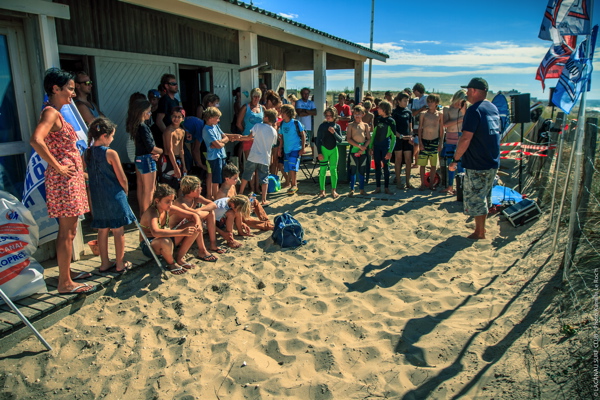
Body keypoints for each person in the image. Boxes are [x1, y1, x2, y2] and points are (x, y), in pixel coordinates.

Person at [29, 68, 92, 294]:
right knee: (67, 232)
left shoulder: (57, 112)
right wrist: (58, 166)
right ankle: (65, 283)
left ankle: (66, 274)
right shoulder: (51, 113)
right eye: (70, 89)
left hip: (69, 179)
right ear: (55, 89)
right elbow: (36, 140)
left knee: (70, 231)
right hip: (62, 181)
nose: (73, 94)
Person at [449, 77, 500, 240]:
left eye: (468, 91)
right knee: (484, 196)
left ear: (474, 91)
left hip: (478, 163)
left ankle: (480, 232)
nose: (467, 95)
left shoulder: (474, 110)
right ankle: (481, 229)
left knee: (477, 198)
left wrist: (455, 159)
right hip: (492, 160)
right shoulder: (492, 108)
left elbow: (465, 138)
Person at [84, 117, 135, 274]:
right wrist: (125, 191)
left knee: (102, 229)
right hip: (114, 194)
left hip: (97, 197)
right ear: (104, 136)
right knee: (118, 230)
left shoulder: (87, 153)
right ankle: (120, 263)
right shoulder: (110, 153)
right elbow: (122, 178)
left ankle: (104, 263)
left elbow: (85, 173)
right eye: (112, 136)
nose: (112, 139)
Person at [138, 184, 200, 274]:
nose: (170, 204)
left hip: (165, 238)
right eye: (167, 202)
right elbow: (155, 232)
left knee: (193, 227)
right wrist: (181, 232)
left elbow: (193, 215)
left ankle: (179, 258)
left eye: (172, 201)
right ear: (157, 201)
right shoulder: (152, 212)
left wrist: (198, 224)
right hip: (150, 245)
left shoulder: (169, 208)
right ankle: (171, 263)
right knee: (165, 241)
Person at [127, 99, 162, 216]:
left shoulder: (136, 126)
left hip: (140, 159)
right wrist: (161, 151)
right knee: (150, 190)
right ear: (141, 112)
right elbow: (151, 147)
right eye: (148, 112)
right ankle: (148, 216)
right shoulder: (143, 127)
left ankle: (143, 214)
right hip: (147, 159)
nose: (150, 114)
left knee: (144, 189)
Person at [239, 109, 279, 204]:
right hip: (265, 158)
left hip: (253, 156)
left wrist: (239, 138)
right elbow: (272, 144)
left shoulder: (257, 126)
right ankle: (264, 199)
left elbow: (249, 137)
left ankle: (240, 193)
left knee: (247, 175)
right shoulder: (274, 132)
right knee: (264, 179)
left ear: (266, 117)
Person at [203, 107, 239, 199]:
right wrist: (220, 143)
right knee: (216, 179)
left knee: (224, 177)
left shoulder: (216, 126)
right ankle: (216, 198)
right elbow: (218, 144)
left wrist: (220, 142)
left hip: (221, 155)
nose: (218, 120)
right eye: (217, 118)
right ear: (210, 118)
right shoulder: (207, 130)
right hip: (214, 157)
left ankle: (225, 195)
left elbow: (225, 137)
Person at [441, 90, 468, 195]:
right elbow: (445, 124)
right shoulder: (447, 108)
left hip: (460, 138)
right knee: (450, 163)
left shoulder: (464, 109)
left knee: (461, 164)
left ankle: (460, 187)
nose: (459, 104)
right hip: (450, 138)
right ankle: (450, 186)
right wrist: (460, 119)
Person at [369, 100, 396, 194]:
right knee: (377, 167)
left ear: (384, 109)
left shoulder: (391, 121)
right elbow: (374, 134)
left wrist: (390, 151)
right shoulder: (377, 119)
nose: (378, 109)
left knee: (386, 167)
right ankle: (377, 187)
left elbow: (393, 138)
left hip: (385, 146)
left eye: (379, 108)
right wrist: (371, 146)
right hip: (377, 146)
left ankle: (387, 187)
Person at [417, 94, 444, 190]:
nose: (429, 103)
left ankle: (432, 184)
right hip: (424, 140)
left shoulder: (440, 114)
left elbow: (441, 130)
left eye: (432, 101)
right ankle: (422, 184)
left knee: (433, 165)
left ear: (436, 103)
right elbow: (420, 128)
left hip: (434, 141)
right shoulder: (423, 114)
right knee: (422, 164)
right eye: (428, 101)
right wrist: (420, 142)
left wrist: (440, 143)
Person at [316, 107, 343, 199]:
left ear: (334, 116)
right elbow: (318, 140)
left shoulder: (337, 126)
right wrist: (319, 153)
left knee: (333, 170)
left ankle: (333, 190)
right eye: (326, 115)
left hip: (334, 150)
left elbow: (340, 140)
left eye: (330, 116)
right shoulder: (322, 126)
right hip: (324, 149)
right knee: (323, 170)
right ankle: (322, 190)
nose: (328, 117)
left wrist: (334, 132)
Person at [279, 104, 306, 195]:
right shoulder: (282, 124)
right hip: (287, 149)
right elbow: (281, 138)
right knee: (288, 167)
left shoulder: (295, 123)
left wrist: (303, 147)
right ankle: (290, 183)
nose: (281, 114)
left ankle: (294, 185)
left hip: (295, 148)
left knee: (292, 166)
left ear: (288, 113)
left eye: (283, 112)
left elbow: (303, 135)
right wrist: (280, 149)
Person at [346, 105, 371, 197]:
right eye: (355, 114)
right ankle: (352, 189)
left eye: (359, 114)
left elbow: (368, 139)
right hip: (354, 150)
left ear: (363, 114)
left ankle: (361, 189)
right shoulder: (350, 125)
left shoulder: (365, 125)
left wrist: (364, 147)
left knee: (362, 171)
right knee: (352, 170)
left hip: (363, 151)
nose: (357, 116)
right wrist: (359, 146)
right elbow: (348, 139)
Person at [391, 92, 414, 189]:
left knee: (408, 160)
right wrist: (400, 136)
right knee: (398, 160)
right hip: (398, 139)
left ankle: (408, 182)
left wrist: (411, 137)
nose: (406, 102)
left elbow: (410, 127)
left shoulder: (408, 112)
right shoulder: (394, 112)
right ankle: (399, 181)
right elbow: (392, 129)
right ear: (399, 101)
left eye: (407, 100)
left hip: (407, 139)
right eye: (404, 100)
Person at [236, 87, 264, 162]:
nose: (256, 98)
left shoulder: (263, 108)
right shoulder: (245, 107)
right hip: (248, 137)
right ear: (251, 96)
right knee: (250, 162)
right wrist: (245, 132)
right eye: (255, 96)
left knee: (259, 163)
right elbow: (238, 123)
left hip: (259, 138)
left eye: (258, 96)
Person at [162, 106, 187, 186]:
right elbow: (169, 150)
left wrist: (184, 166)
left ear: (183, 118)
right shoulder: (169, 131)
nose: (176, 119)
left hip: (178, 159)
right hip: (169, 159)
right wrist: (175, 167)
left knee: (180, 184)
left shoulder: (182, 131)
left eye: (179, 117)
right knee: (168, 185)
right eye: (174, 116)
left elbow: (181, 149)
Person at [155, 74, 180, 144]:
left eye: (176, 83)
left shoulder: (176, 101)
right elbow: (159, 120)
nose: (176, 86)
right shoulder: (165, 100)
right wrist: (168, 135)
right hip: (169, 138)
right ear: (166, 86)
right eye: (173, 84)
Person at [295, 88, 317, 161]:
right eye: (304, 93)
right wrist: (309, 111)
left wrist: (305, 110)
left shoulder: (311, 103)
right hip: (300, 126)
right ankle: (299, 157)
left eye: (307, 93)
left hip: (309, 125)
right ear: (301, 94)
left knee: (310, 141)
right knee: (301, 142)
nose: (306, 95)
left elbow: (315, 112)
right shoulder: (298, 102)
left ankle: (312, 155)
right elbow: (300, 113)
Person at [410, 83, 428, 166]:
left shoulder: (427, 98)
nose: (413, 92)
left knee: (423, 144)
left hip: (425, 124)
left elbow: (428, 110)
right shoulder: (415, 100)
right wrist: (421, 109)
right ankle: (416, 162)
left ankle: (423, 162)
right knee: (416, 143)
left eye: (414, 90)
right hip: (416, 124)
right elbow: (413, 113)